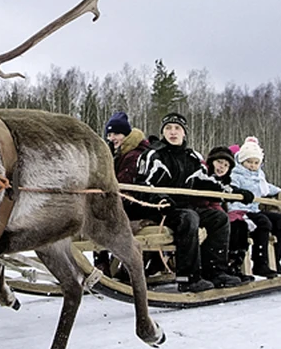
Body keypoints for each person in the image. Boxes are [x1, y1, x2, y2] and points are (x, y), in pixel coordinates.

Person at [134, 112, 247, 292]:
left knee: (219, 217)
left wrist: (236, 192)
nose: (173, 132)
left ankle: (215, 271)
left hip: (185, 206)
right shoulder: (153, 155)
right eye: (168, 128)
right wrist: (160, 199)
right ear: (163, 132)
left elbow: (209, 183)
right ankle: (188, 278)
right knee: (189, 218)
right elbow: (142, 185)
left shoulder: (193, 157)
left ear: (184, 133)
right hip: (159, 209)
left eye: (177, 128)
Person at [95, 111, 166, 278]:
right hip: (129, 201)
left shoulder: (134, 155)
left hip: (135, 203)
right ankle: (103, 263)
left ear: (127, 135)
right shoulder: (120, 153)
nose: (112, 138)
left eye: (117, 133)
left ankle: (102, 264)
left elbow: (123, 185)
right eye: (110, 134)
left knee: (97, 218)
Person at [228, 136, 281, 278]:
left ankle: (276, 260)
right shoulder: (236, 174)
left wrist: (279, 191)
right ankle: (259, 262)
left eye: (256, 163)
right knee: (263, 223)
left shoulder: (258, 176)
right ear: (241, 161)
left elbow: (266, 188)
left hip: (254, 210)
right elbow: (230, 190)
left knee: (280, 220)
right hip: (242, 210)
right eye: (249, 162)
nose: (252, 165)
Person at [205, 145, 255, 283]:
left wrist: (241, 193)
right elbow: (218, 190)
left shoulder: (225, 182)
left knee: (240, 226)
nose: (221, 167)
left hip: (218, 214)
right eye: (219, 162)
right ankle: (216, 268)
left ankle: (233, 266)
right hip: (205, 213)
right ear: (211, 162)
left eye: (226, 165)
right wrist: (233, 193)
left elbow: (228, 189)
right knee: (226, 225)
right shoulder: (204, 175)